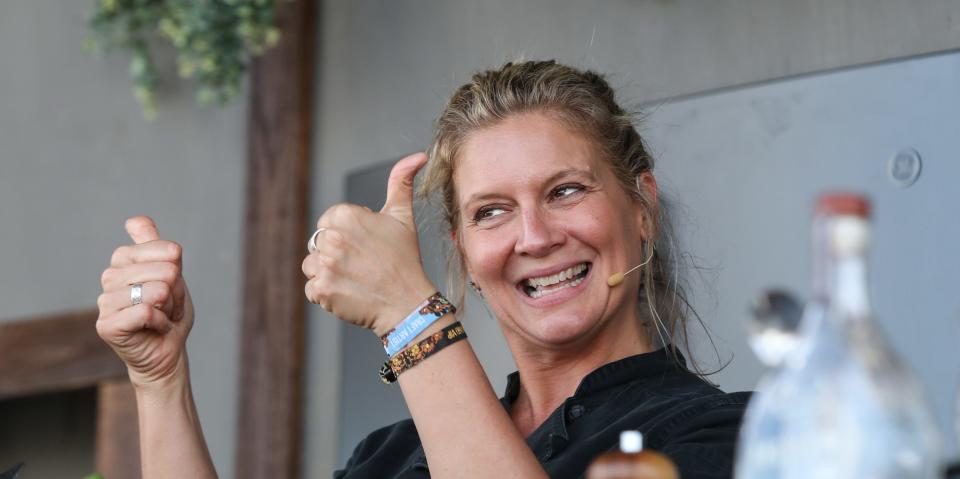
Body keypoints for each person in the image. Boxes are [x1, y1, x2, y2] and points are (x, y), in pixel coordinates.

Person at [96, 60, 749, 479]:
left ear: (642, 207)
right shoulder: (387, 456)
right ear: (461, 245)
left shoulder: (727, 436)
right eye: (492, 210)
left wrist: (410, 317)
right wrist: (158, 380)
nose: (535, 235)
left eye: (566, 191)